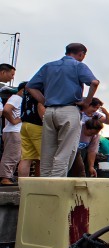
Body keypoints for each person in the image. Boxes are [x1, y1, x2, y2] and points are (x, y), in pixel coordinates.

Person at [26, 43, 99, 178]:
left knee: (47, 151)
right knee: (66, 151)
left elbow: (30, 86)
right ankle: (56, 184)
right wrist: (87, 102)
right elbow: (94, 83)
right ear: (81, 54)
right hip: (69, 110)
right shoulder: (78, 66)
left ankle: (45, 182)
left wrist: (45, 101)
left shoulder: (48, 66)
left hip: (50, 111)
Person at [17, 79, 44, 179]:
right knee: (44, 158)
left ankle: (22, 185)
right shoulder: (42, 87)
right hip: (38, 125)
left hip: (25, 124)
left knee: (26, 158)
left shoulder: (27, 89)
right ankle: (43, 185)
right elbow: (40, 106)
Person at [0, 82, 24, 185]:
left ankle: (8, 176)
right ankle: (5, 178)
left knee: (16, 155)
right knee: (12, 155)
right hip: (13, 131)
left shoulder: (18, 99)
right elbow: (6, 110)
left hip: (14, 131)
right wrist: (14, 121)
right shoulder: (16, 98)